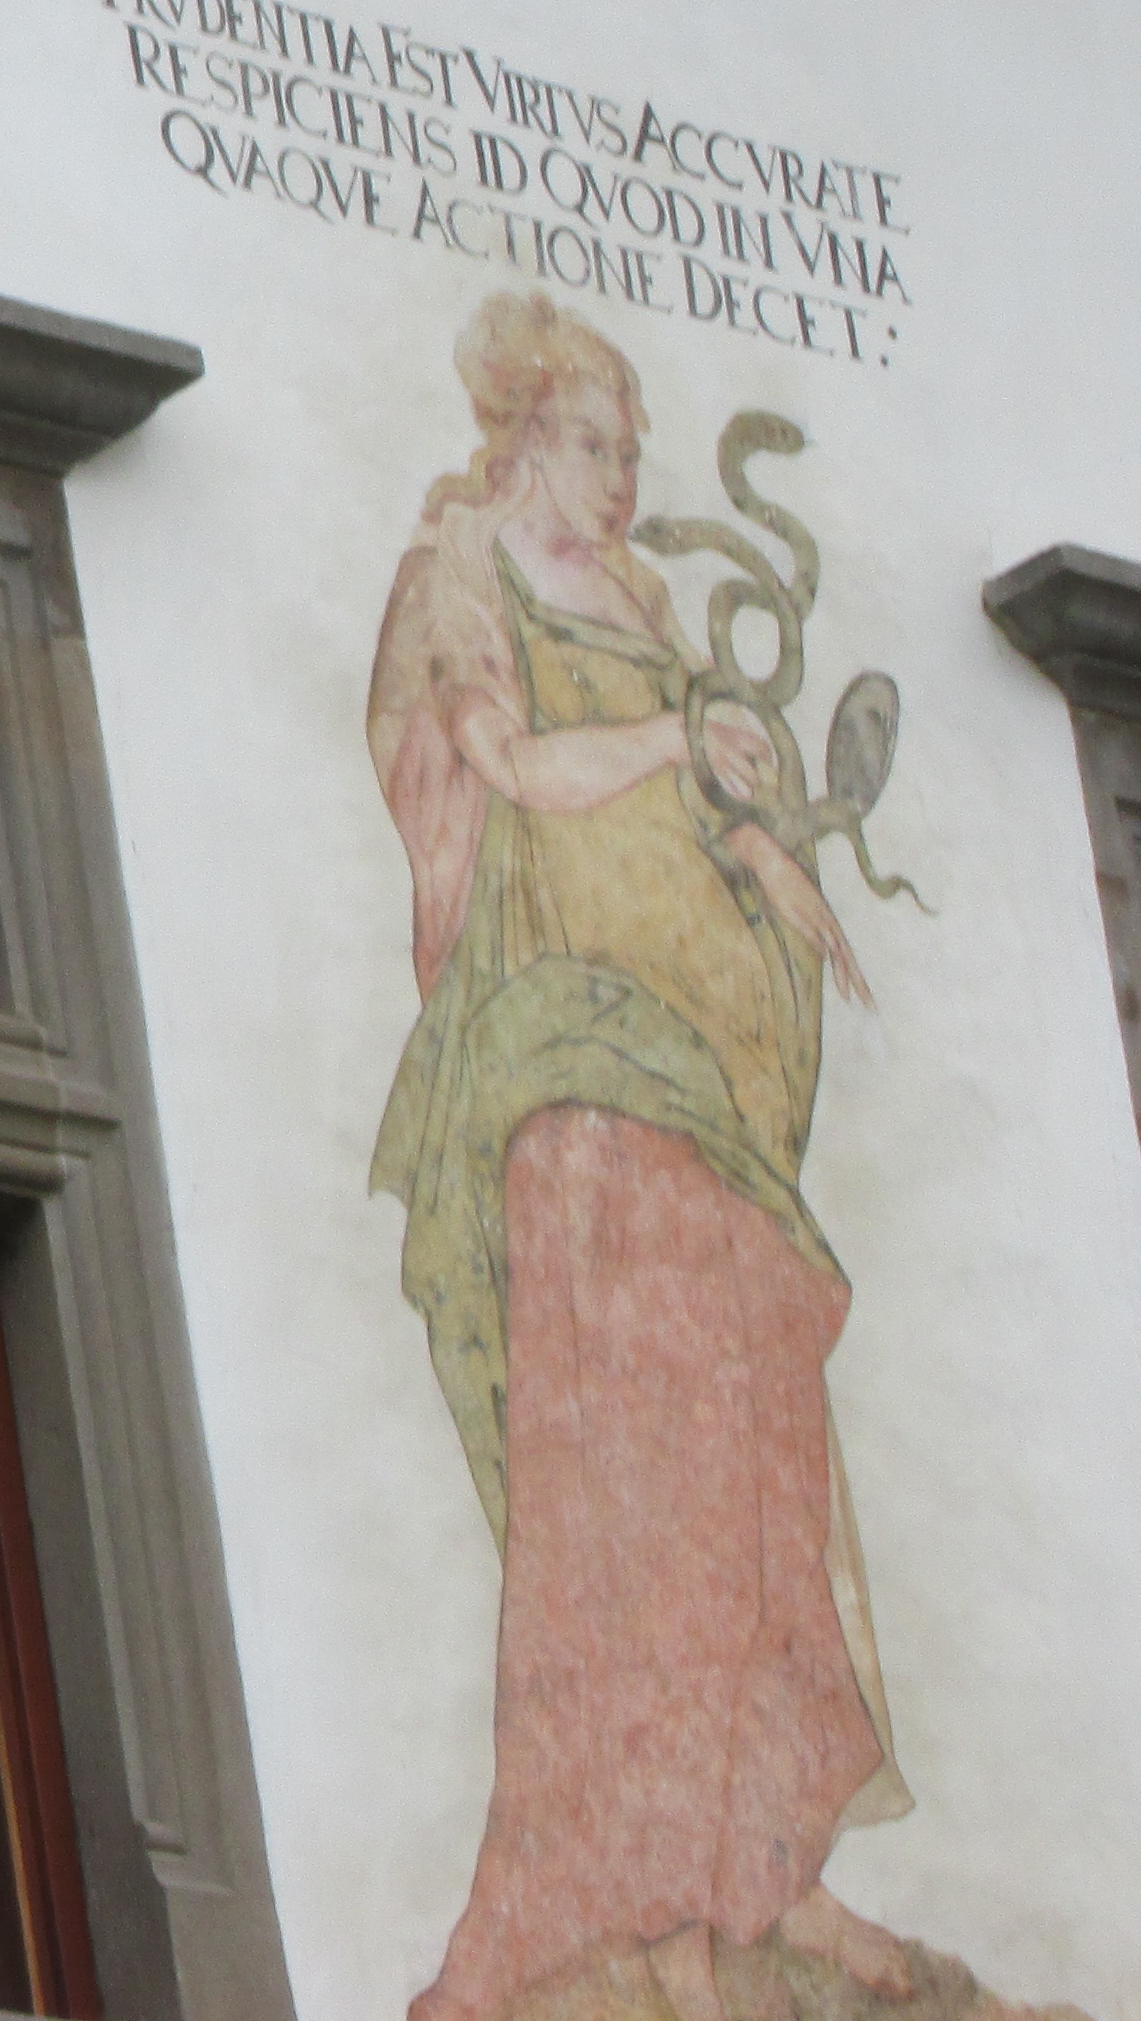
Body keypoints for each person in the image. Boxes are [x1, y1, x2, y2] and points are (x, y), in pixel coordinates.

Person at [369, 290, 910, 2021]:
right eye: (595, 444)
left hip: (701, 1079)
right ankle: (624, 1881)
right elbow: (517, 770)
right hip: (571, 1066)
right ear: (522, 437)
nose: (621, 479)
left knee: (754, 1439)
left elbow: (702, 805)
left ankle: (765, 1865)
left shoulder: (644, 597)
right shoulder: (464, 574)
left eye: (633, 451)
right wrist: (680, 740)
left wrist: (777, 871)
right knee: (625, 1468)